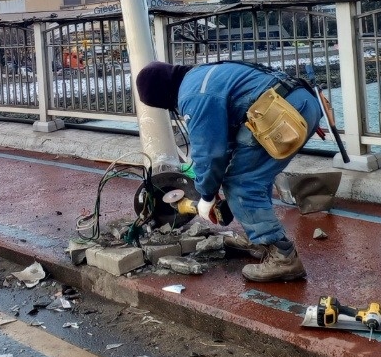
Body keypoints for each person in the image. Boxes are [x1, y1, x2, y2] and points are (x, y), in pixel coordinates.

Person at [135, 60, 322, 283]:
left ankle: (283, 256)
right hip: (296, 102)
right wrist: (213, 188)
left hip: (282, 113)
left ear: (163, 96)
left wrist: (205, 195)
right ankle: (262, 238)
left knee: (241, 183)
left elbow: (210, 152)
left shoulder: (193, 95)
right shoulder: (200, 75)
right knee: (253, 174)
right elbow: (228, 143)